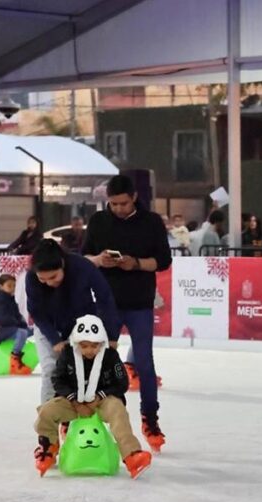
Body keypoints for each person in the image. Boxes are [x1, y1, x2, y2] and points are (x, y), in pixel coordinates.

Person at [82, 174, 173, 452]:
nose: (118, 208)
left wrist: (135, 264)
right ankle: (91, 416)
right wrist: (100, 260)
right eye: (113, 204)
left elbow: (163, 261)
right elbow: (83, 258)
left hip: (139, 303)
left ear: (134, 197)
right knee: (97, 363)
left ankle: (150, 418)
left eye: (122, 203)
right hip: (106, 303)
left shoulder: (151, 222)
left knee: (144, 364)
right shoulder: (99, 221)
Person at [33, 314, 152, 479]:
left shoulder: (111, 356)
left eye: (94, 346)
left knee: (118, 411)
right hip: (73, 401)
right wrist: (74, 401)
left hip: (102, 401)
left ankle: (131, 455)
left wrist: (99, 396)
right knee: (46, 411)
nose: (89, 350)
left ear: (102, 343)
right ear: (76, 343)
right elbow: (58, 380)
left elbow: (122, 382)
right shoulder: (67, 354)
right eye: (84, 346)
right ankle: (49, 448)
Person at [27, 239, 121, 405]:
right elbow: (36, 312)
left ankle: (76, 421)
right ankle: (48, 423)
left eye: (53, 277)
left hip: (81, 327)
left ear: (62, 264)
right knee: (50, 371)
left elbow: (105, 298)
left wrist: (111, 335)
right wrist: (54, 339)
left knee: (83, 373)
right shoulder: (31, 277)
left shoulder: (82, 266)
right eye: (43, 279)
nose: (49, 283)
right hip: (48, 326)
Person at [0, 273, 33, 375]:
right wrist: (18, 325)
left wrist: (23, 324)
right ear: (0, 286)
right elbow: (2, 318)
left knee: (31, 331)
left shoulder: (9, 298)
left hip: (8, 328)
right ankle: (14, 359)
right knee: (22, 332)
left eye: (14, 286)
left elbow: (17, 315)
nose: (12, 288)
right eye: (9, 286)